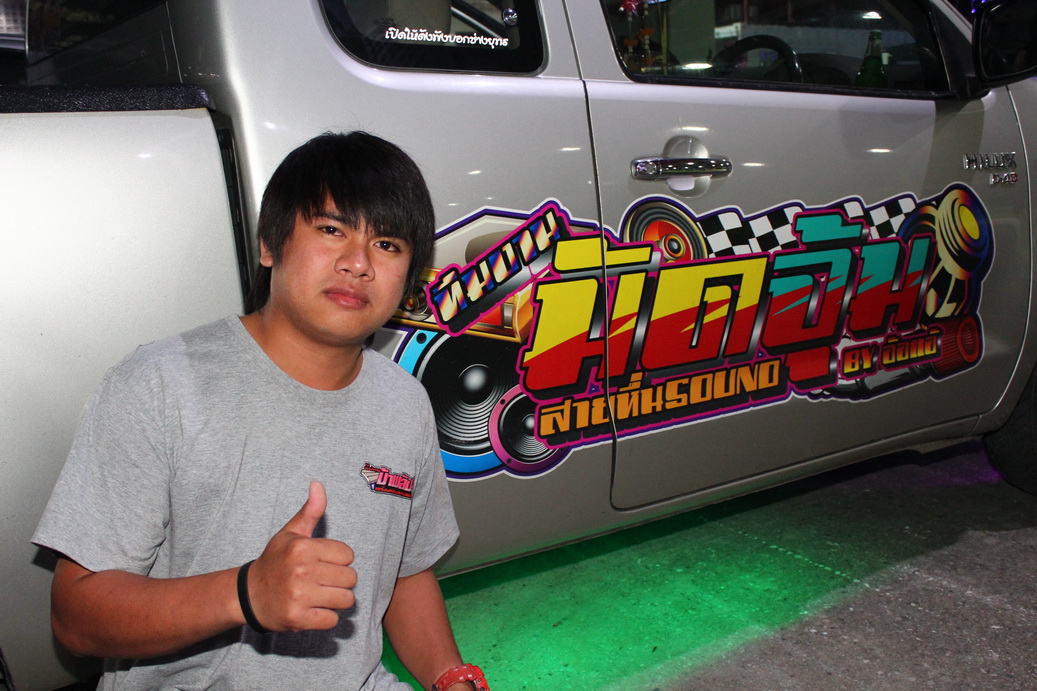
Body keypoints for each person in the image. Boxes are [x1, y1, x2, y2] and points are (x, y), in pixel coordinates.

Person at [32, 131, 488, 690]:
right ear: (270, 244)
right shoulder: (159, 384)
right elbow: (76, 617)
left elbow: (406, 572)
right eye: (332, 230)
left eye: (388, 244)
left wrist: (450, 677)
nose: (358, 263)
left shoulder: (405, 402)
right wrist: (246, 593)